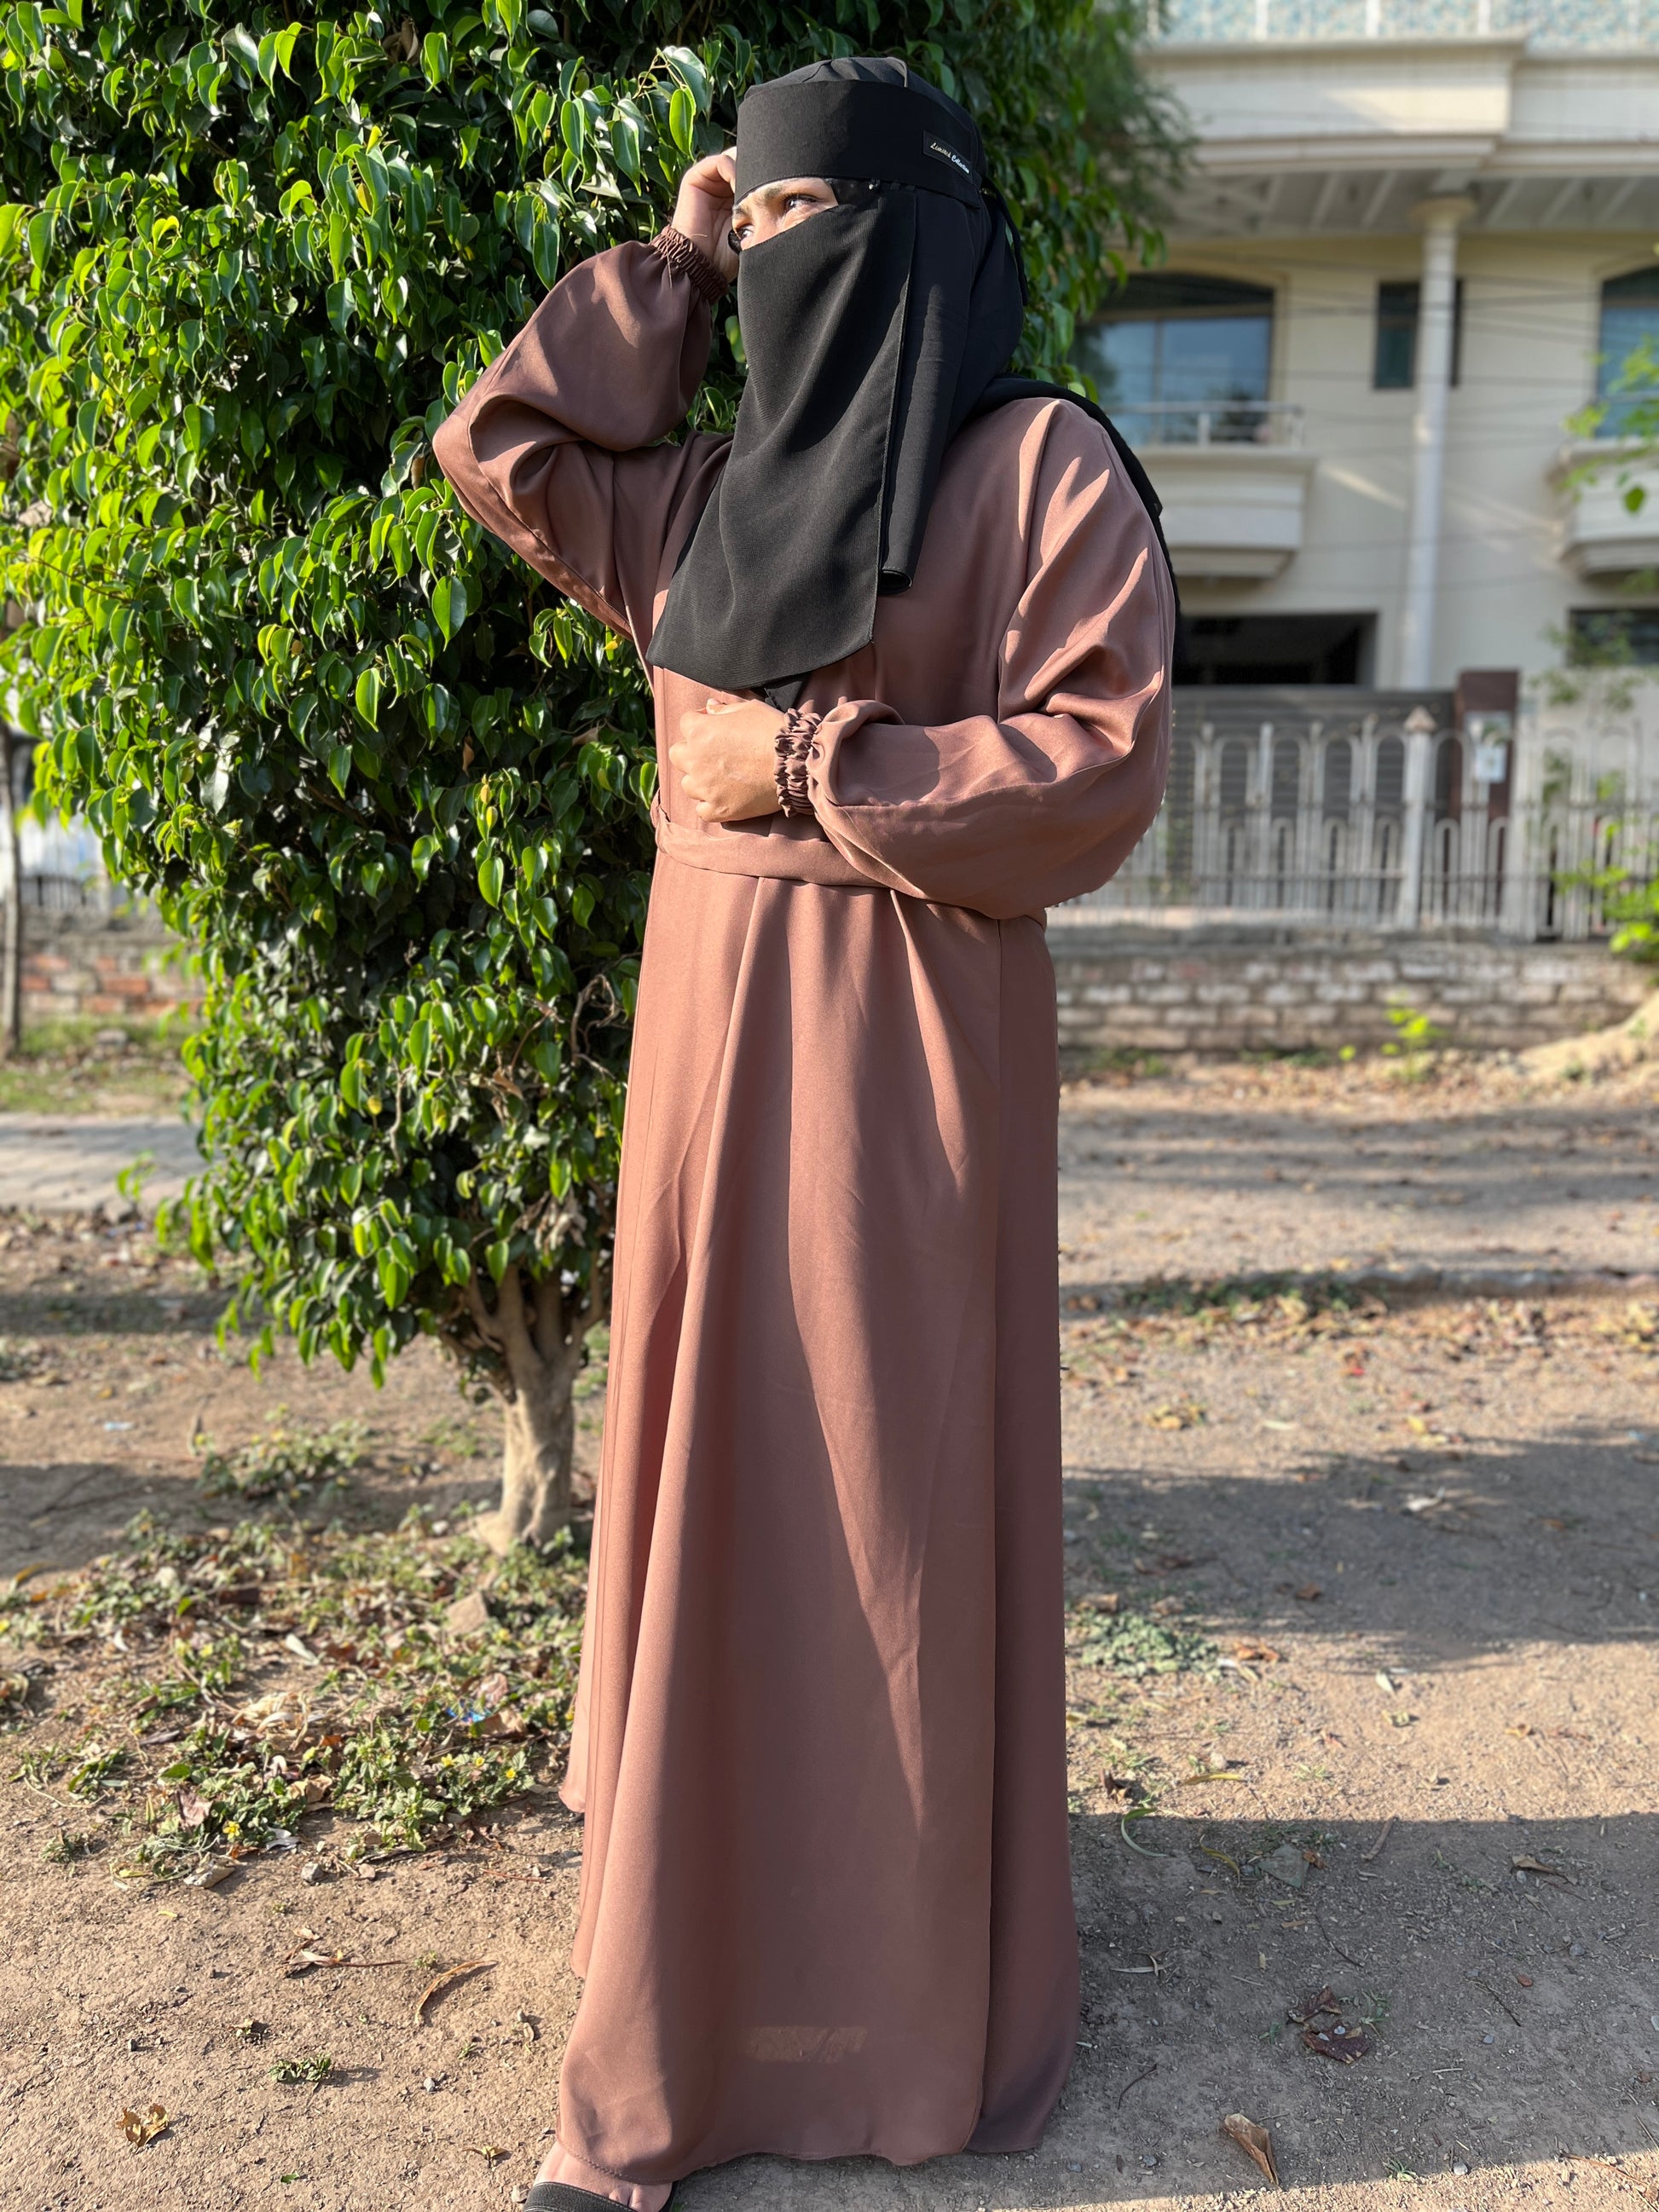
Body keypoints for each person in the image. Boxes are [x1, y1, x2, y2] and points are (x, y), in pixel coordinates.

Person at [432, 55, 1174, 2212]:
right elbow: (505, 447)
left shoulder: (1034, 467)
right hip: (706, 1060)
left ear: (904, 231)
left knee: (880, 1494)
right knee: (717, 1480)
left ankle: (893, 1998)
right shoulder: (711, 495)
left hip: (904, 1059)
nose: (767, 260)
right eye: (746, 229)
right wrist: (673, 258)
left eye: (792, 222)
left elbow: (1099, 760)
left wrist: (830, 769)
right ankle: (677, 1991)